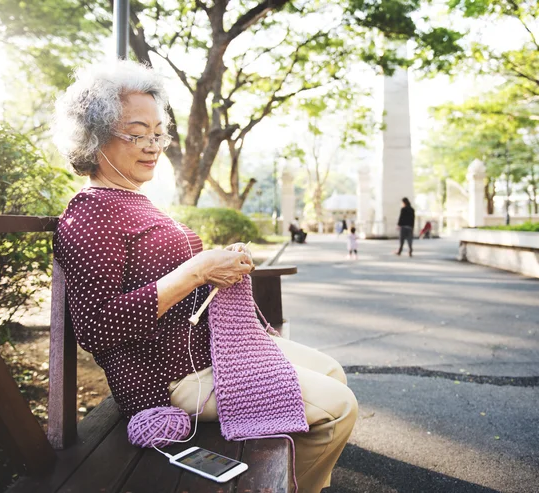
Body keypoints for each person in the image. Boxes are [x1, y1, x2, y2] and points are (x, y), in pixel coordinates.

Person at [52, 60, 357, 493]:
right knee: (340, 406)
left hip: (210, 351)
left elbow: (175, 277)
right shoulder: (89, 215)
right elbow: (98, 327)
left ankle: (291, 473)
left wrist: (219, 266)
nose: (153, 145)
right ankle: (286, 486)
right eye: (137, 133)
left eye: (159, 133)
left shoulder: (135, 200)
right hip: (170, 377)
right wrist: (196, 271)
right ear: (94, 137)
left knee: (332, 371)